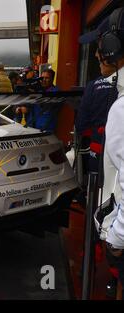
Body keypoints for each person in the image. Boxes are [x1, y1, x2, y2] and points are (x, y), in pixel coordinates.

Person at [79, 6, 124, 299]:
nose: (96, 55)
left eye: (100, 47)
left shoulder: (120, 107)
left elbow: (81, 122)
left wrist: (117, 236)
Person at [75, 49, 119, 298]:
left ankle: (95, 255)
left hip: (100, 157)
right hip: (111, 160)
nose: (96, 59)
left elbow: (81, 124)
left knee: (100, 207)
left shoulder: (94, 86)